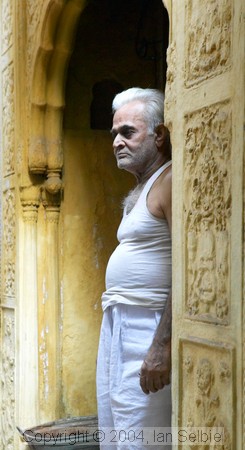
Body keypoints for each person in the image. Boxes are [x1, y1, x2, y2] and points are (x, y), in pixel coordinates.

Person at [96, 87, 172, 449]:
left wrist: (162, 344)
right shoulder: (141, 188)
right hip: (121, 325)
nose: (117, 143)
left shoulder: (169, 181)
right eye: (115, 134)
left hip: (148, 328)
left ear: (159, 135)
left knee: (144, 435)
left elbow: (187, 271)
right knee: (119, 428)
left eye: (128, 132)